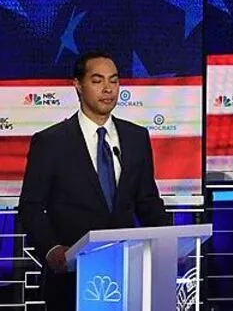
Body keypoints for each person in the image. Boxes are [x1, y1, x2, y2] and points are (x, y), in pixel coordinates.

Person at [17, 51, 171, 311]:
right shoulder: (51, 142)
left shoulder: (136, 137)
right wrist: (53, 250)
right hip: (71, 278)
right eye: (97, 81)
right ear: (78, 85)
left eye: (114, 80)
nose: (108, 89)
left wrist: (168, 241)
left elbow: (147, 200)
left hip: (125, 273)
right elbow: (30, 207)